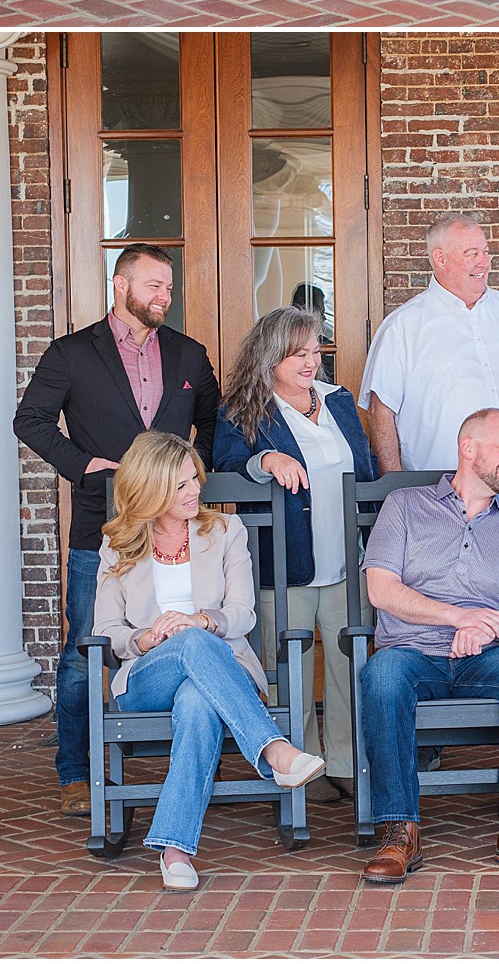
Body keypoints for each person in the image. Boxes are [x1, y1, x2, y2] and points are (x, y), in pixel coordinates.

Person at [12, 244, 220, 818]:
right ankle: (76, 770)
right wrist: (83, 464)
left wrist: (190, 468)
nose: (164, 297)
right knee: (87, 649)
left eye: (169, 287)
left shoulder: (189, 355)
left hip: (180, 531)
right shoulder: (71, 353)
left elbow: (212, 421)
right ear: (119, 286)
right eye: (153, 285)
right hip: (101, 529)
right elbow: (28, 420)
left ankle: (209, 752)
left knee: (201, 632)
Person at [93, 432, 325, 891]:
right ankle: (273, 750)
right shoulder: (117, 546)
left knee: (198, 698)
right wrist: (147, 636)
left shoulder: (224, 531)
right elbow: (106, 633)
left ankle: (175, 849)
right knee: (187, 645)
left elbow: (242, 613)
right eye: (180, 485)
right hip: (146, 676)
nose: (194, 490)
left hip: (217, 666)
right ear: (150, 488)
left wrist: (198, 620)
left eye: (193, 478)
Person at [358, 408, 499, 883]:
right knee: (382, 675)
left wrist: (493, 628)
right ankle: (399, 830)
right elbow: (382, 590)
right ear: (468, 448)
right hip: (413, 653)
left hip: (488, 658)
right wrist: (458, 617)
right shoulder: (405, 506)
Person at [213, 305, 376, 806]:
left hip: (348, 559)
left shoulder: (338, 400)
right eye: (298, 353)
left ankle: (347, 764)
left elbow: (364, 467)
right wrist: (265, 459)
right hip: (284, 564)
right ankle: (300, 766)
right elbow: (221, 463)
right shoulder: (242, 410)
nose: (311, 361)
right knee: (290, 670)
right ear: (270, 356)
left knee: (352, 666)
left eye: (314, 350)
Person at [362, 211, 499, 474]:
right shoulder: (402, 328)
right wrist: (396, 493)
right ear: (439, 258)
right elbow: (380, 412)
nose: (484, 263)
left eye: (485, 252)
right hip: (437, 496)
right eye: (471, 254)